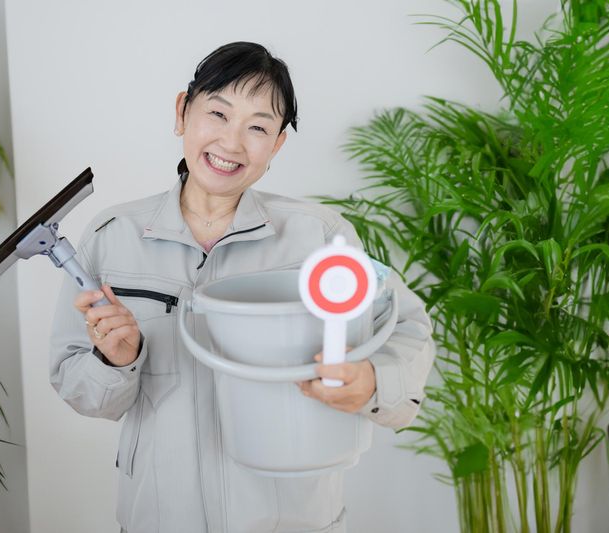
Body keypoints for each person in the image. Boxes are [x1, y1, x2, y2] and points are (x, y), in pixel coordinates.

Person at [50, 41, 435, 533]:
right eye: (218, 113)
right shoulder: (113, 237)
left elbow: (406, 325)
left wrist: (373, 382)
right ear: (182, 112)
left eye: (258, 127)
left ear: (277, 145)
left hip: (293, 521)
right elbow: (81, 390)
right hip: (160, 518)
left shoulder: (319, 237)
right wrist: (116, 360)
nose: (232, 143)